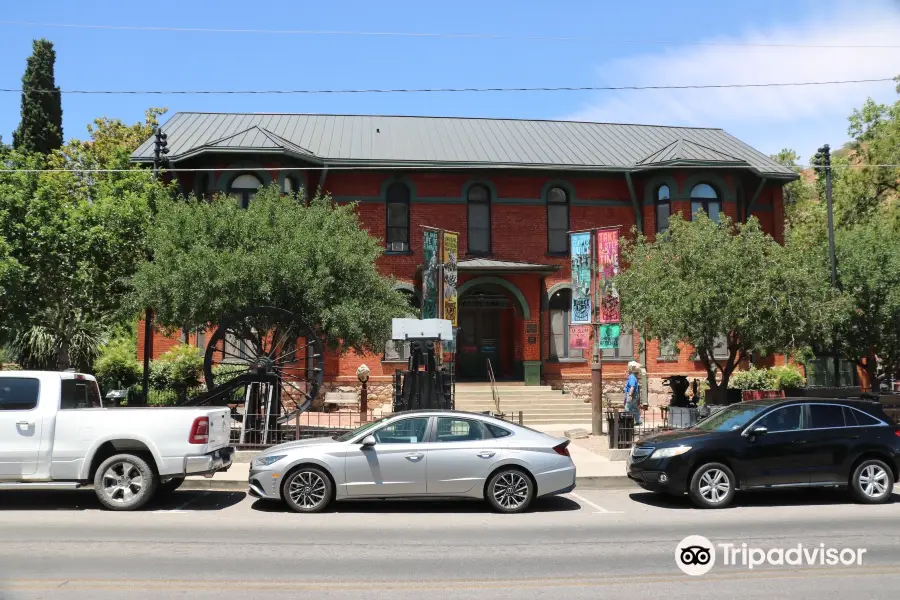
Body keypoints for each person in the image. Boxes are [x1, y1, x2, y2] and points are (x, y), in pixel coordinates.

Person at [623, 361, 643, 425]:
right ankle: (638, 421)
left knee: (627, 408)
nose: (626, 373)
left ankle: (628, 422)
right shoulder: (634, 377)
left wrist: (630, 395)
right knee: (635, 408)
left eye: (626, 372)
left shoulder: (631, 377)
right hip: (635, 395)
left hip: (632, 395)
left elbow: (632, 387)